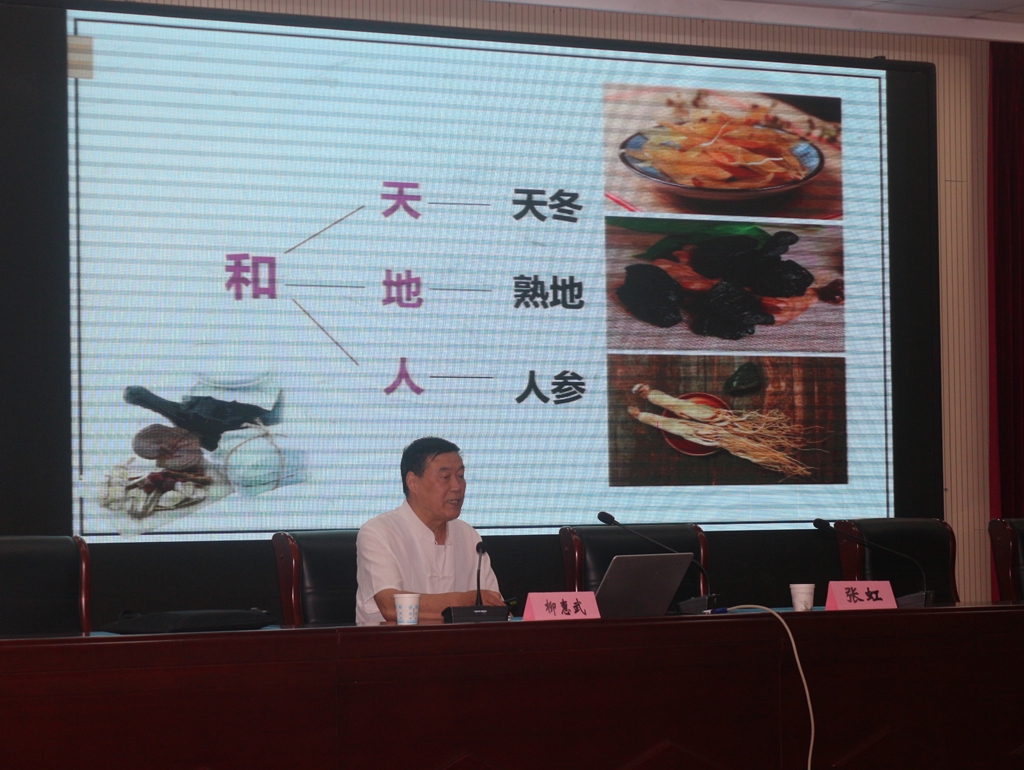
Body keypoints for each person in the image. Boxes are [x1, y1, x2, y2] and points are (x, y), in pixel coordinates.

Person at [355, 437, 504, 625]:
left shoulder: (468, 535)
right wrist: (466, 601)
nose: (457, 487)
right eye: (445, 477)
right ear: (413, 482)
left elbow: (492, 606)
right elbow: (392, 607)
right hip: (393, 643)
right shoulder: (379, 532)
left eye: (460, 476)